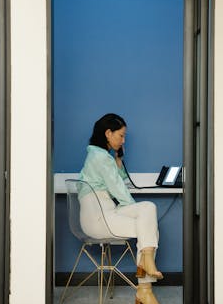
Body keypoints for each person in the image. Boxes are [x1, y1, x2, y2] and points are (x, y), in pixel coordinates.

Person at [78, 113, 162, 304]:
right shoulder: (100, 158)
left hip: (105, 213)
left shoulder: (99, 156)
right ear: (108, 133)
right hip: (98, 219)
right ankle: (144, 288)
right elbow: (120, 191)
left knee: (148, 208)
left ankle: (146, 263)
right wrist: (142, 219)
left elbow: (118, 180)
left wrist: (118, 159)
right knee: (149, 227)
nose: (123, 140)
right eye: (121, 136)